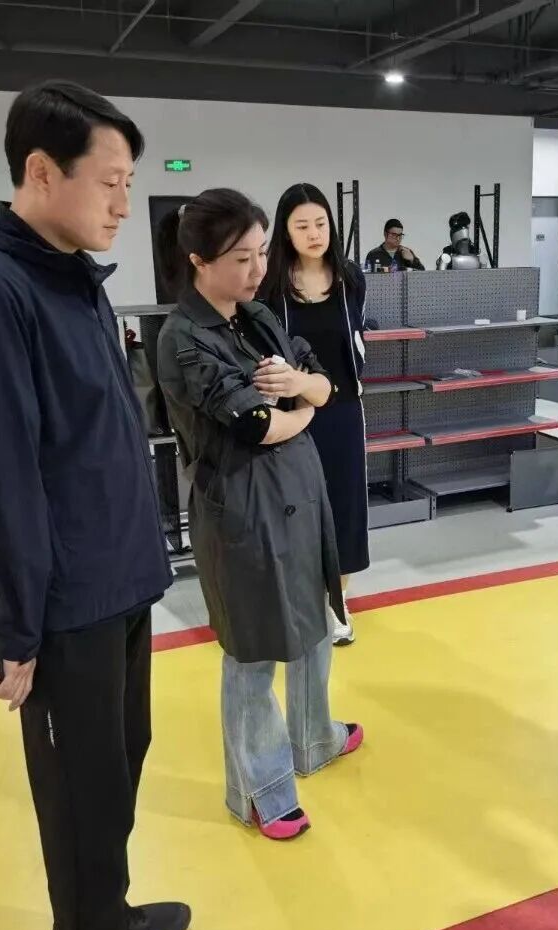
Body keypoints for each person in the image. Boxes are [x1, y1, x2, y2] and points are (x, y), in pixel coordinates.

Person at [0, 80, 190, 930]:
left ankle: (104, 914)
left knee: (118, 764)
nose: (124, 204)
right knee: (79, 791)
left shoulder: (72, 276)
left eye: (129, 183)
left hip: (121, 577)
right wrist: (14, 625)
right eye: (109, 182)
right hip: (66, 599)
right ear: (41, 171)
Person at [154, 188, 364, 841]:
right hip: (244, 507)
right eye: (240, 258)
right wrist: (303, 406)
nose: (255, 269)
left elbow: (325, 382)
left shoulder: (257, 317)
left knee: (314, 623)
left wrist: (300, 393)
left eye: (260, 253)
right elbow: (255, 424)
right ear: (199, 260)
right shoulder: (184, 339)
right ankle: (261, 790)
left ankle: (315, 737)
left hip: (300, 490)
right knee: (252, 650)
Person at [260, 183, 373, 646]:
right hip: (294, 415)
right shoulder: (271, 284)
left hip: (343, 410)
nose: (314, 233)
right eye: (302, 225)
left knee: (344, 505)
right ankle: (298, 598)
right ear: (286, 231)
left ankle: (337, 601)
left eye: (321, 223)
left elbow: (357, 340)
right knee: (295, 506)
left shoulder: (350, 279)